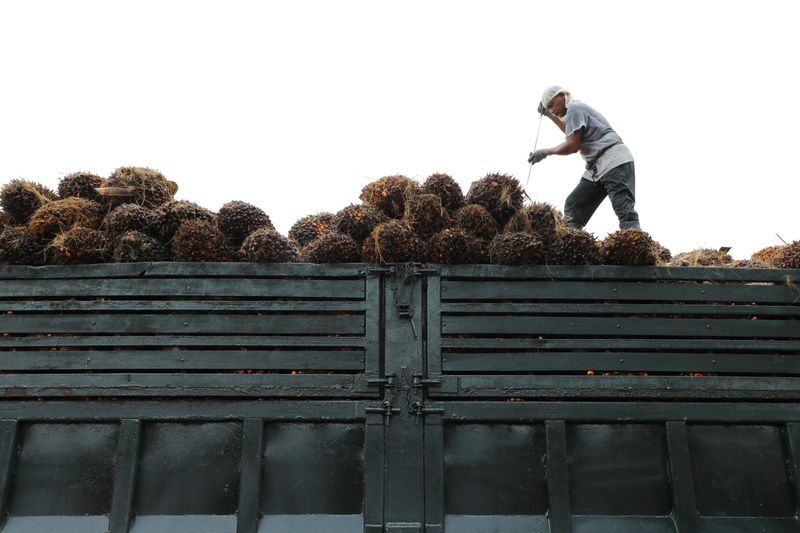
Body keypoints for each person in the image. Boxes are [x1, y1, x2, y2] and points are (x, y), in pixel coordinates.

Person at [528, 86, 640, 230]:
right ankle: (572, 245)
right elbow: (571, 131)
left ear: (562, 96)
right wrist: (551, 117)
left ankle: (635, 244)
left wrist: (546, 152)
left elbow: (572, 144)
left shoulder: (575, 108)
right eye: (548, 108)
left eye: (552, 105)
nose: (552, 109)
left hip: (613, 160)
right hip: (596, 169)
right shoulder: (573, 113)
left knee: (623, 207)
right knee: (574, 205)